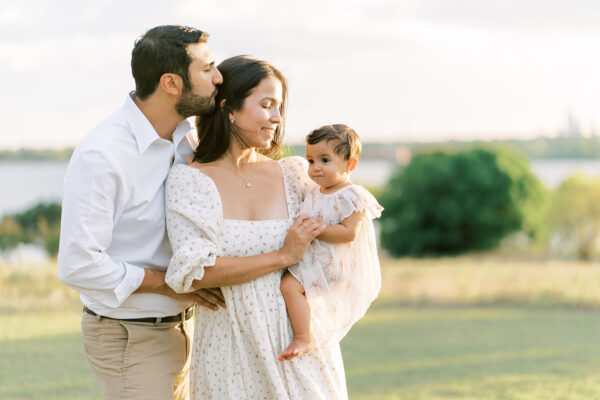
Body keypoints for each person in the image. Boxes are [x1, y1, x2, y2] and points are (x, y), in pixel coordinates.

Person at [57, 25, 227, 400]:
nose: (219, 77)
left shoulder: (187, 137)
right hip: (131, 337)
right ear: (171, 83)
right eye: (207, 68)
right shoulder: (103, 155)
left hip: (188, 328)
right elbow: (77, 264)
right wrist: (167, 282)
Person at [165, 55, 348, 399]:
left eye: (279, 107)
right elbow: (198, 272)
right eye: (266, 105)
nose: (277, 119)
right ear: (229, 108)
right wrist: (283, 256)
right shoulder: (189, 181)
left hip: (299, 343)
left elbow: (337, 237)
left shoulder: (295, 176)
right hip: (230, 344)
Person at [278, 124, 383, 361]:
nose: (315, 168)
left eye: (324, 160)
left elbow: (349, 233)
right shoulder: (315, 191)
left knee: (289, 286)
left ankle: (303, 337)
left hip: (331, 263)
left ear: (350, 164)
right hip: (315, 257)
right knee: (291, 287)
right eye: (311, 160)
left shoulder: (351, 195)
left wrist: (318, 230)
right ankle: (305, 328)